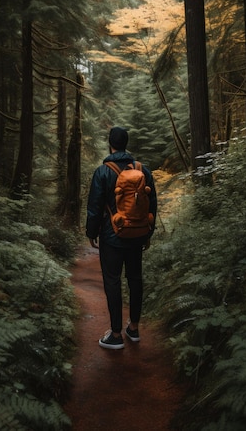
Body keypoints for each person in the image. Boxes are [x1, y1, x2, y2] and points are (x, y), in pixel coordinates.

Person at [86, 126, 157, 350]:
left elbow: (95, 207)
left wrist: (91, 232)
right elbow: (152, 205)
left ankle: (115, 334)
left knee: (113, 280)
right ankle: (133, 328)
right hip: (137, 235)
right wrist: (148, 233)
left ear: (111, 144)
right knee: (135, 279)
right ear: (126, 144)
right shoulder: (142, 170)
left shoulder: (102, 171)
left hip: (112, 236)